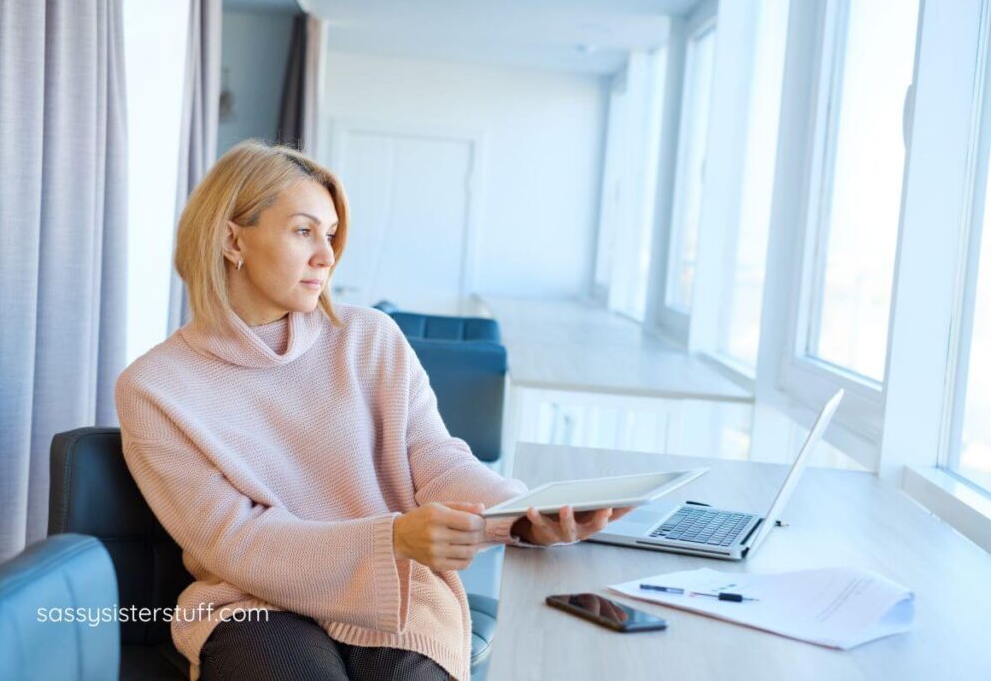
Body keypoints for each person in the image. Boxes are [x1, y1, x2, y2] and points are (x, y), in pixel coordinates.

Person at [114, 139, 635, 681]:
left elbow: (437, 460)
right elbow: (234, 542)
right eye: (303, 230)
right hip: (253, 600)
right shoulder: (154, 388)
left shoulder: (370, 338)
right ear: (231, 238)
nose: (327, 255)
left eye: (331, 234)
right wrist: (390, 538)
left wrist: (523, 516)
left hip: (399, 591)